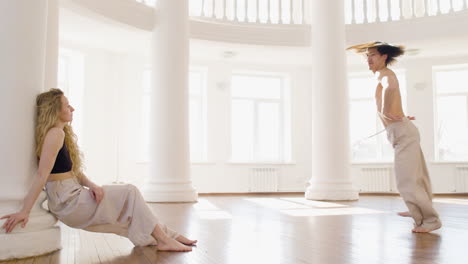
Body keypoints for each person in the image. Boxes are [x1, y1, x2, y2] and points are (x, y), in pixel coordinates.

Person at [1, 88, 196, 251]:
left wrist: (92, 185)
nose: (72, 108)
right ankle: (164, 239)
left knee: (128, 210)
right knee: (130, 192)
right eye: (67, 105)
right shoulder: (55, 134)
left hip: (71, 193)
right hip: (67, 201)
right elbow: (42, 174)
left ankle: (170, 235)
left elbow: (73, 171)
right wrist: (24, 211)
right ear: (55, 110)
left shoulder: (60, 133)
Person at [347, 41, 442, 233]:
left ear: (384, 57)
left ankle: (430, 220)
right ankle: (416, 209)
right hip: (403, 129)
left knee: (406, 180)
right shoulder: (382, 75)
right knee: (418, 176)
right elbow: (391, 92)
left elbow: (390, 87)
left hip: (403, 133)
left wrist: (385, 110)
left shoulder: (384, 74)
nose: (369, 59)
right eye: (367, 56)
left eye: (372, 55)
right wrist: (400, 115)